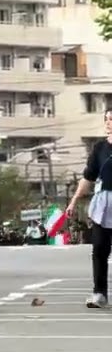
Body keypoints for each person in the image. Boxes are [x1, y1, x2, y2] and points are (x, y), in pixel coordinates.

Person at [66, 110, 112, 308]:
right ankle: (99, 293)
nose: (109, 123)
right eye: (107, 119)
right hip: (104, 204)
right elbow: (88, 178)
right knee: (99, 249)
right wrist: (74, 201)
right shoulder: (99, 148)